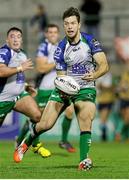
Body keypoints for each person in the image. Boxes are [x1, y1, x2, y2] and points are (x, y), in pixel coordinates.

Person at [14, 7, 109, 170]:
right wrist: (66, 91)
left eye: (73, 23)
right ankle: (26, 143)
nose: (70, 26)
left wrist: (95, 75)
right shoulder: (61, 48)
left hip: (86, 87)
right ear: (64, 26)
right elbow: (61, 77)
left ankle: (84, 160)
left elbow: (104, 65)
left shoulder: (90, 41)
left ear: (79, 24)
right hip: (65, 88)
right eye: (66, 24)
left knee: (86, 114)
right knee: (45, 124)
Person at [16, 24, 75, 154]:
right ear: (46, 34)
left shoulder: (62, 46)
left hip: (60, 87)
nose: (53, 34)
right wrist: (58, 61)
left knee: (70, 111)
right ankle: (21, 140)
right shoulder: (44, 47)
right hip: (45, 87)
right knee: (37, 118)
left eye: (55, 32)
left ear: (58, 34)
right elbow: (41, 68)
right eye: (50, 32)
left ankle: (63, 140)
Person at [0, 27, 42, 137]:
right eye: (12, 37)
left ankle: (20, 142)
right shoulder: (4, 52)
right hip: (3, 99)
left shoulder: (22, 54)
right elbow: (1, 72)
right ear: (7, 40)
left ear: (21, 40)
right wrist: (20, 68)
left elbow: (18, 76)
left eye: (18, 37)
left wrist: (26, 86)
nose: (15, 39)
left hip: (18, 96)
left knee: (37, 116)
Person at [96, 72, 115, 141]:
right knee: (102, 120)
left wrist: (102, 86)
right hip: (100, 100)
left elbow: (111, 86)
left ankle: (104, 135)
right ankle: (104, 134)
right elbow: (98, 86)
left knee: (104, 118)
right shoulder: (98, 74)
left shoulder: (109, 75)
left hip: (107, 100)